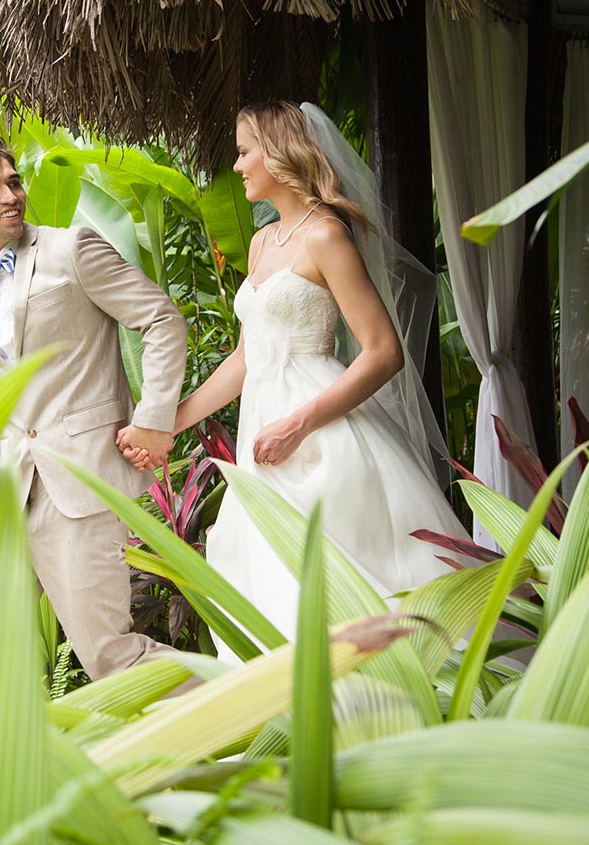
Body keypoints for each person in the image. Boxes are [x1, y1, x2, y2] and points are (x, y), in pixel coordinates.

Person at [155, 101, 470, 647]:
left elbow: (382, 351)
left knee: (342, 577)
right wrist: (169, 424)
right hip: (263, 434)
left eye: (244, 151)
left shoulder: (326, 236)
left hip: (323, 431)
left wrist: (299, 425)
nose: (238, 166)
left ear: (278, 153)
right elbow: (244, 361)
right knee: (270, 577)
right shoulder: (260, 242)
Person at [0, 135, 188, 681]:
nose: (10, 195)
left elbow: (161, 319)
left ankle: (252, 717)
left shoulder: (71, 249)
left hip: (81, 480)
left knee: (108, 654)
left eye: (13, 181)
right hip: (11, 495)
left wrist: (152, 417)